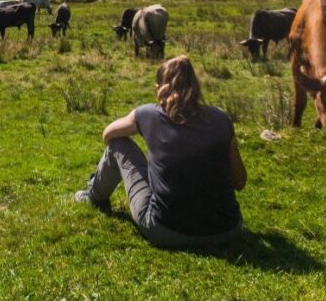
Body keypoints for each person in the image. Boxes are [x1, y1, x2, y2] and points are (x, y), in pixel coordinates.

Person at [74, 55, 247, 248]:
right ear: (196, 87)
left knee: (118, 146)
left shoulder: (148, 114)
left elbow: (108, 135)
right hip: (227, 230)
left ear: (158, 89)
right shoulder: (221, 119)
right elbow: (240, 182)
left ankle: (93, 196)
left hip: (166, 230)